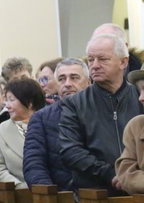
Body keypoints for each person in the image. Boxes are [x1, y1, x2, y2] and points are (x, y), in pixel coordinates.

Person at [60, 33, 142, 194]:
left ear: (123, 62)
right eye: (91, 60)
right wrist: (110, 174)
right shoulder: (75, 103)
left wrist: (131, 176)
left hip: (138, 192)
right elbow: (70, 151)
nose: (94, 65)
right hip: (95, 195)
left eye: (102, 59)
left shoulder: (139, 97)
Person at [23, 58, 90, 191]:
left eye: (74, 78)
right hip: (60, 198)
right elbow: (34, 163)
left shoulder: (103, 111)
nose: (67, 84)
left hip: (100, 194)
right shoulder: (41, 118)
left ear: (88, 82)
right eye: (61, 79)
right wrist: (48, 195)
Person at [0, 78, 46, 189]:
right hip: (18, 196)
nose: (7, 106)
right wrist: (20, 187)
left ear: (29, 102)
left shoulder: (50, 124)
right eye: (6, 100)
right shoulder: (0, 132)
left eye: (11, 100)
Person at [113, 70, 144, 194]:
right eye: (140, 91)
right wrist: (127, 180)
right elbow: (125, 173)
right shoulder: (137, 125)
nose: (141, 98)